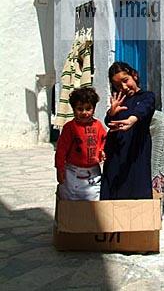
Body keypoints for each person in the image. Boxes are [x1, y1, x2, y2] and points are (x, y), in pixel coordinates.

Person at [100, 61, 155, 200]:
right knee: (113, 192)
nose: (123, 87)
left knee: (136, 191)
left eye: (126, 81)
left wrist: (132, 119)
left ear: (134, 76)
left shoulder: (146, 97)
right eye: (118, 85)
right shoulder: (119, 101)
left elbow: (144, 108)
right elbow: (109, 121)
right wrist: (112, 112)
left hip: (136, 151)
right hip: (115, 154)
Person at [55, 87, 106, 201]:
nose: (84, 113)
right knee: (70, 199)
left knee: (93, 200)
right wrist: (60, 169)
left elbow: (104, 141)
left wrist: (102, 151)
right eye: (80, 109)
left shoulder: (98, 125)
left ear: (94, 109)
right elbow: (61, 150)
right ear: (73, 109)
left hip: (93, 172)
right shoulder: (70, 128)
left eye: (88, 109)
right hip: (73, 171)